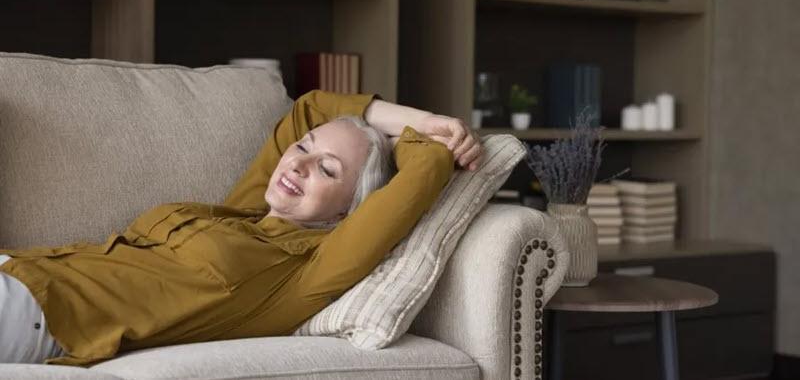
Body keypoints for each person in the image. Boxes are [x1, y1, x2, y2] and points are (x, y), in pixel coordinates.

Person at [0, 90, 483, 366]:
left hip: (44, 311)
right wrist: (424, 116)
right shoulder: (241, 213)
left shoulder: (306, 272)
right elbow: (308, 109)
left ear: (348, 212)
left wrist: (431, 136)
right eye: (302, 150)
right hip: (19, 268)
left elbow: (425, 168)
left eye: (328, 170)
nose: (299, 164)